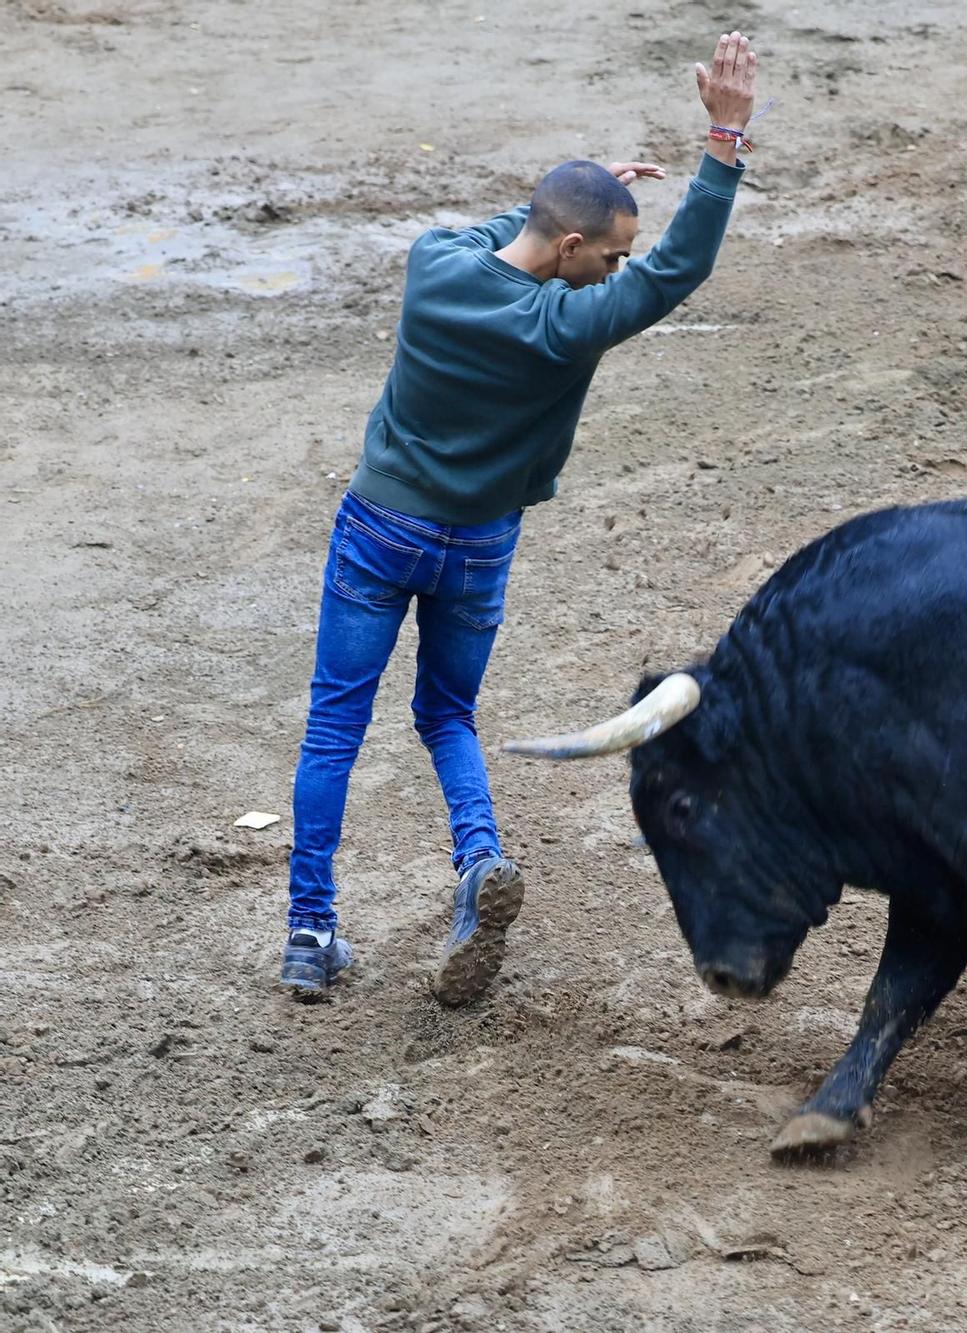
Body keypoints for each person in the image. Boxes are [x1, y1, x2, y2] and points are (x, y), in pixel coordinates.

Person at [279, 33, 761, 1003]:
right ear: (575, 249)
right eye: (607, 252)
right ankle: (479, 860)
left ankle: (309, 932)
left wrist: (570, 192)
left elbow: (513, 235)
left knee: (335, 726)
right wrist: (723, 141)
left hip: (378, 530)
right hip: (478, 547)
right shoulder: (565, 327)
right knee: (446, 714)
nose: (619, 267)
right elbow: (674, 271)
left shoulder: (433, 265)